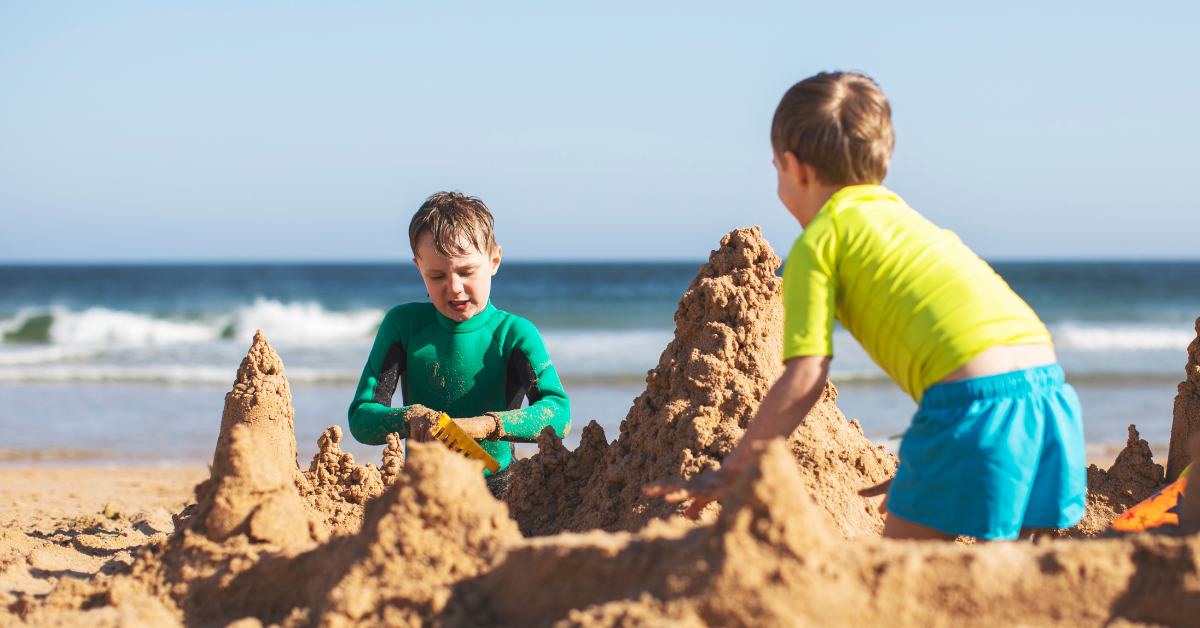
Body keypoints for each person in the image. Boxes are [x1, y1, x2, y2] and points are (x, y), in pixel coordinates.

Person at [644, 72, 1085, 541]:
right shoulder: (912, 223)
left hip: (970, 409)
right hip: (1050, 394)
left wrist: (735, 467)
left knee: (892, 586)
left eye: (775, 168)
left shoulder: (820, 241)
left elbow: (806, 376)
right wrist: (931, 463)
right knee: (1019, 579)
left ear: (796, 169)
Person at [348, 191, 571, 498]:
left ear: (494, 261)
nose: (454, 288)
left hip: (497, 490)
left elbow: (559, 415)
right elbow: (361, 418)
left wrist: (483, 426)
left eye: (467, 272)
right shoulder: (403, 326)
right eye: (437, 276)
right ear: (418, 268)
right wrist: (410, 418)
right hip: (422, 489)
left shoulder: (514, 333)